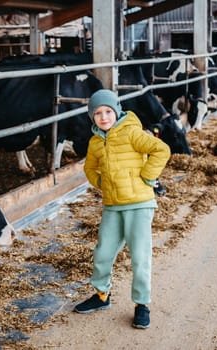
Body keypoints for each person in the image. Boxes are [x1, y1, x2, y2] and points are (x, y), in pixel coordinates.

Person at [73, 89, 171, 329]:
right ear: (91, 117)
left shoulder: (132, 133)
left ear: (116, 111)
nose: (103, 117)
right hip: (112, 205)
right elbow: (89, 168)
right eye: (97, 113)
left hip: (139, 204)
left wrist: (148, 177)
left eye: (108, 111)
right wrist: (101, 184)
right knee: (103, 252)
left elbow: (162, 150)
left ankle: (141, 304)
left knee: (139, 256)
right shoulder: (96, 141)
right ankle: (102, 296)